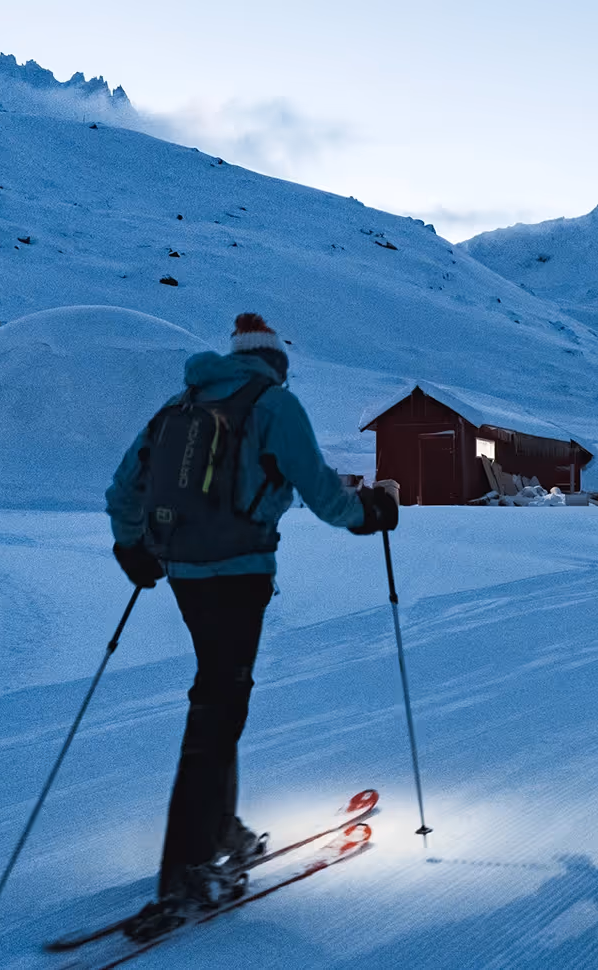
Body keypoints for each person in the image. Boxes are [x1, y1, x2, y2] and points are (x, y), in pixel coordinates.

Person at [105, 312, 398, 940]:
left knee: (219, 697)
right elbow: (319, 489)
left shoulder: (179, 404)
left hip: (184, 572)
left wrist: (132, 546)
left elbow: (123, 486)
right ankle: (184, 868)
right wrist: (365, 514)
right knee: (216, 708)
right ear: (275, 363)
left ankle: (217, 830)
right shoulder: (273, 404)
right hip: (239, 576)